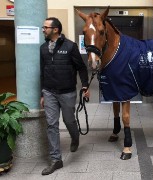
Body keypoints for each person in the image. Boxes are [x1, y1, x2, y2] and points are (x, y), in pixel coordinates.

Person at [40, 17, 89, 175]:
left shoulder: (70, 46)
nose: (43, 30)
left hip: (67, 92)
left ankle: (75, 138)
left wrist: (85, 85)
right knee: (52, 125)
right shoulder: (42, 48)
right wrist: (42, 92)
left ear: (55, 30)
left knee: (69, 121)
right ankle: (56, 159)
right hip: (49, 92)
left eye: (45, 27)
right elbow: (43, 72)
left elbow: (81, 68)